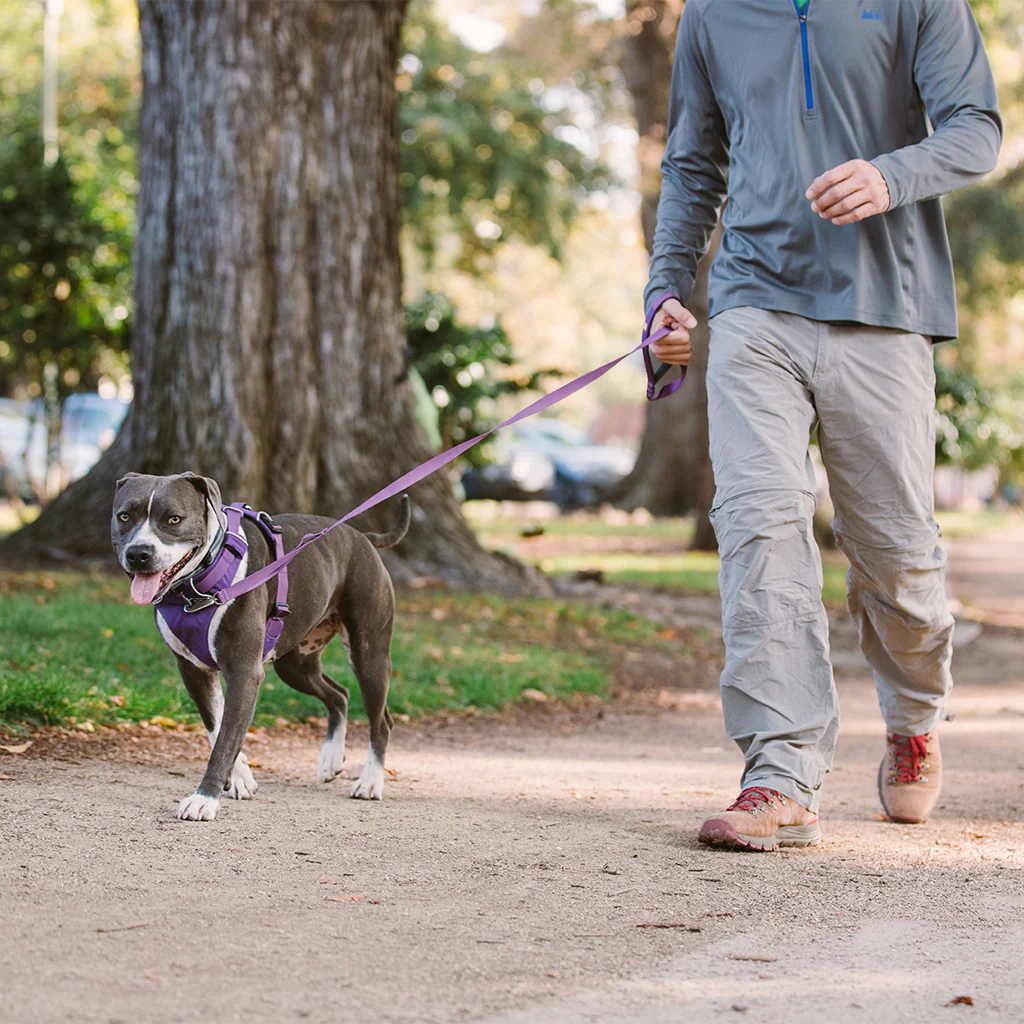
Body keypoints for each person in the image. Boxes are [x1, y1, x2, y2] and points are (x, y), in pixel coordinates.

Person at [644, 0, 1002, 851]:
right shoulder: (714, 15)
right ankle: (781, 771)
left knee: (898, 552)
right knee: (759, 522)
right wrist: (665, 291)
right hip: (752, 303)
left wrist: (891, 175)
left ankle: (914, 715)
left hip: (886, 309)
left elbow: (976, 129)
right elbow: (694, 165)